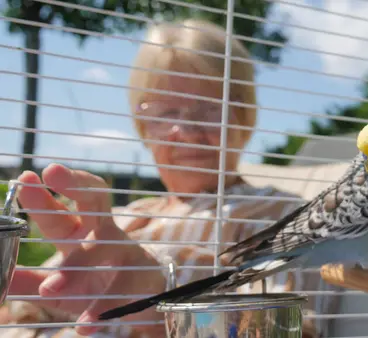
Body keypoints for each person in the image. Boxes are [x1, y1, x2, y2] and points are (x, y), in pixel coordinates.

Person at [0, 18, 336, 337]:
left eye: (209, 109)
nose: (186, 132)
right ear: (144, 127)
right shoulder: (122, 220)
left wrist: (160, 300)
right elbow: (25, 302)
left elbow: (294, 329)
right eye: (165, 113)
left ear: (242, 118)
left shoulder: (289, 219)